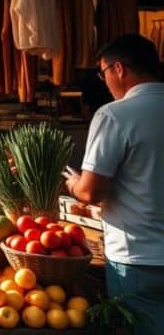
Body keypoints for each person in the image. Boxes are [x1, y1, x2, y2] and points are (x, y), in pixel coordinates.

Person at [66, 34, 164, 334]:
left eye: (103, 72)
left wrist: (73, 183)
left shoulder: (115, 115)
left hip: (138, 256)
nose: (105, 81)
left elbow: (91, 193)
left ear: (118, 69)